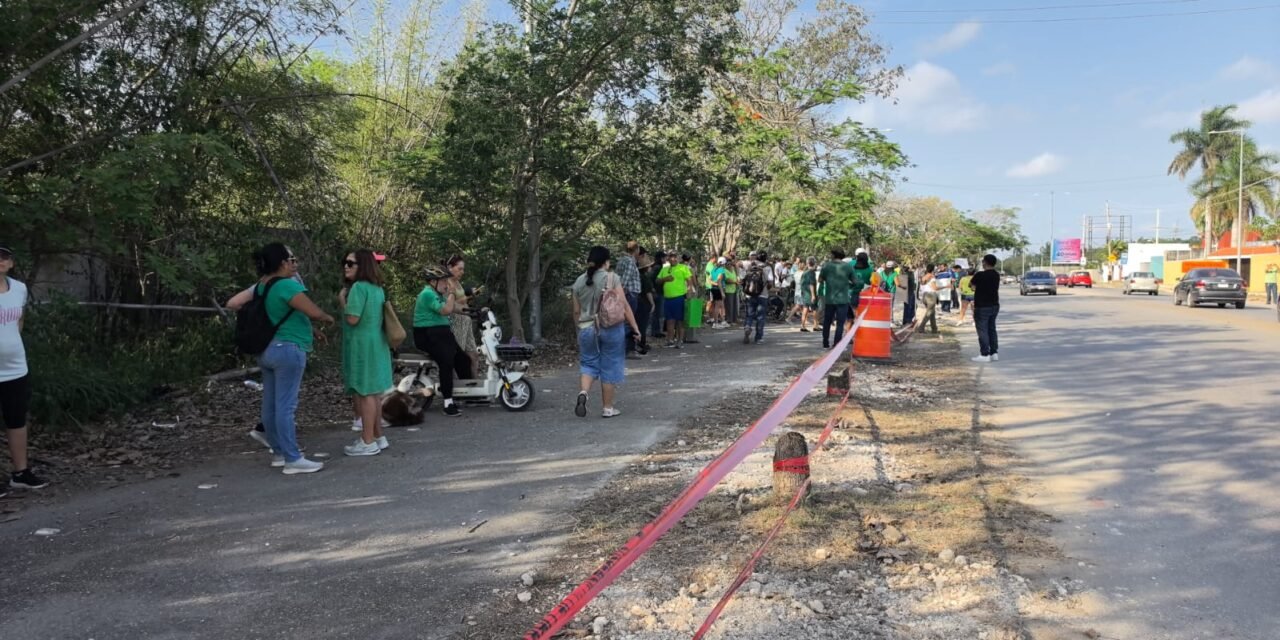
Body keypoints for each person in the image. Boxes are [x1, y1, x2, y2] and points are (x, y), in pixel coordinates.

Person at [250, 244, 333, 473]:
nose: (293, 264)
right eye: (291, 259)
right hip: (288, 349)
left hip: (267, 349)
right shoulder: (286, 285)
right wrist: (327, 317)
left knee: (271, 404)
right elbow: (312, 311)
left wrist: (312, 330)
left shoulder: (261, 286)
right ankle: (292, 458)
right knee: (286, 407)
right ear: (283, 263)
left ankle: (278, 452)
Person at [572, 246, 642, 418]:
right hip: (611, 328)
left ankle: (583, 393)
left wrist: (579, 330)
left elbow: (575, 311)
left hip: (586, 328)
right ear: (606, 262)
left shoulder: (579, 281)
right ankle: (608, 408)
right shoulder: (612, 278)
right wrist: (635, 328)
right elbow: (624, 306)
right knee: (610, 366)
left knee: (588, 364)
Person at [0, 246, 47, 493]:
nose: (0, 261)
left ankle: (21, 473)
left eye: (4, 257)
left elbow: (19, 320)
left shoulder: (18, 288)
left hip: (16, 368)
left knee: (17, 420)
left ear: (11, 263)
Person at [339, 250, 394, 457]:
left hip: (362, 345)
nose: (346, 266)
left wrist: (342, 301)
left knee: (365, 394)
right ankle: (378, 436)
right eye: (345, 262)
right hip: (376, 343)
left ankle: (367, 440)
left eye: (351, 263)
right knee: (373, 393)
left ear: (362, 266)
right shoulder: (377, 288)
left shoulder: (359, 288)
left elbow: (352, 318)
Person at [414, 265, 472, 417]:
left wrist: (471, 311)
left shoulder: (436, 294)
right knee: (447, 361)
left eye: (447, 281)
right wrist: (452, 292)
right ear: (432, 281)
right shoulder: (427, 294)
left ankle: (469, 394)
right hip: (427, 334)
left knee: (463, 360)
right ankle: (448, 403)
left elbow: (453, 307)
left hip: (442, 333)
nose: (446, 284)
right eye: (443, 281)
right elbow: (446, 310)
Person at [444, 255, 481, 375]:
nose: (462, 272)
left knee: (473, 355)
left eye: (463, 269)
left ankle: (474, 385)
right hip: (455, 321)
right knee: (458, 355)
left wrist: (471, 297)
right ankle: (456, 386)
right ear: (450, 267)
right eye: (459, 269)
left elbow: (463, 302)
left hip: (466, 320)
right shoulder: (446, 283)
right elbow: (450, 305)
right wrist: (468, 296)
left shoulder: (457, 282)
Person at [818, 249, 854, 349]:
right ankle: (836, 343)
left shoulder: (826, 266)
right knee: (840, 323)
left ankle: (825, 342)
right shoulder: (848, 267)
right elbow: (855, 281)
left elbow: (820, 279)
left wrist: (828, 279)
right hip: (843, 299)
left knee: (827, 321)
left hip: (830, 298)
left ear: (834, 255)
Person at [656, 252, 694, 348]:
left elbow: (689, 280)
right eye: (671, 257)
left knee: (680, 320)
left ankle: (680, 340)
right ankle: (670, 340)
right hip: (667, 298)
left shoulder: (683, 267)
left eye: (675, 257)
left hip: (679, 297)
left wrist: (689, 292)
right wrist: (665, 279)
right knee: (669, 320)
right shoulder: (664, 269)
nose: (673, 259)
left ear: (678, 258)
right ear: (668, 259)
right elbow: (657, 281)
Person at [971, 254, 1001, 363]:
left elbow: (972, 286)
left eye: (983, 261)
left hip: (982, 306)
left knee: (982, 330)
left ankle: (985, 354)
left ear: (985, 262)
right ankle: (994, 353)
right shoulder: (996, 275)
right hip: (994, 305)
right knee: (991, 329)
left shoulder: (979, 275)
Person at [616, 241, 643, 357]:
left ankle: (626, 348)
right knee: (629, 322)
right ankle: (627, 349)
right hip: (629, 294)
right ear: (636, 250)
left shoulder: (621, 261)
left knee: (625, 322)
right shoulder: (629, 262)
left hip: (626, 294)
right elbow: (624, 281)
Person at [741, 251, 774, 344]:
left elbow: (739, 267)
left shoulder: (749, 265)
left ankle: (747, 327)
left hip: (749, 295)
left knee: (749, 314)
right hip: (762, 295)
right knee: (760, 317)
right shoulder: (767, 268)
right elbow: (770, 283)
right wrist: (766, 288)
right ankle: (758, 338)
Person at [635, 254, 655, 354]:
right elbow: (648, 292)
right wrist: (652, 303)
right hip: (644, 302)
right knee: (643, 324)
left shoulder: (637, 276)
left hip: (637, 301)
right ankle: (641, 344)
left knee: (638, 324)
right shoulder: (645, 278)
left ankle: (637, 343)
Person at [795, 257, 818, 331]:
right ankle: (815, 325)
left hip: (804, 293)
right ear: (814, 263)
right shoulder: (811, 272)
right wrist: (813, 295)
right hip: (810, 294)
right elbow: (811, 284)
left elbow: (801, 283)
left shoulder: (804, 272)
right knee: (814, 309)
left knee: (805, 308)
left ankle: (803, 325)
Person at [648, 250, 666, 338]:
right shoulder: (657, 267)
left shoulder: (656, 266)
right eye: (664, 257)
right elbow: (650, 278)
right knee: (657, 312)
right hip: (657, 292)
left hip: (658, 291)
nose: (665, 259)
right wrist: (653, 288)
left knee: (657, 312)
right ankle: (655, 331)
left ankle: (656, 330)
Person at [917, 264, 940, 335]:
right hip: (931, 296)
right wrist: (946, 286)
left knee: (932, 313)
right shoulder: (932, 277)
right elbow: (935, 288)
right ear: (933, 269)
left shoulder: (923, 277)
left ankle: (934, 329)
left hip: (924, 296)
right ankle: (921, 327)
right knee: (929, 313)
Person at [708, 257, 728, 328]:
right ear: (723, 263)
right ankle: (715, 323)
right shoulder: (721, 270)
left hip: (713, 289)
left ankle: (723, 321)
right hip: (719, 289)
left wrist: (714, 283)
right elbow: (719, 281)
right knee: (717, 306)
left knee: (721, 305)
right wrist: (722, 292)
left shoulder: (714, 269)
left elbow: (709, 280)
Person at [723, 251, 740, 326]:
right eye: (728, 264)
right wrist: (735, 282)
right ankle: (729, 320)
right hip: (728, 290)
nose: (730, 265)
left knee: (734, 305)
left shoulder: (733, 270)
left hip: (734, 289)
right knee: (729, 305)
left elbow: (737, 270)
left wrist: (737, 281)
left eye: (731, 264)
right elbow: (727, 280)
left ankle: (734, 319)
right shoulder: (724, 270)